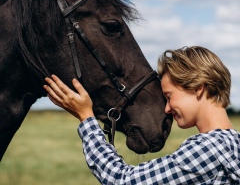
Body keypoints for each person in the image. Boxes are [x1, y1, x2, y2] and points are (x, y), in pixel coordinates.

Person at [43, 46, 240, 184]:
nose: (167, 109)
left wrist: (86, 117)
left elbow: (121, 180)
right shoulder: (233, 144)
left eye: (169, 97)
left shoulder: (206, 150)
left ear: (198, 88)